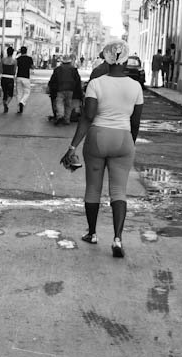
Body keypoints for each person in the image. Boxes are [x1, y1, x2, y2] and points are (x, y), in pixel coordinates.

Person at [60, 40, 143, 258]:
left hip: (97, 138)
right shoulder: (135, 87)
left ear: (106, 58)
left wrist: (72, 146)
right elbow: (135, 122)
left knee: (93, 188)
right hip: (123, 138)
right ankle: (117, 238)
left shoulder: (96, 84)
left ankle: (92, 233)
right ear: (125, 59)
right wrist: (130, 144)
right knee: (119, 190)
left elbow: (88, 117)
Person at [49, 54, 82, 125]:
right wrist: (79, 92)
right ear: (69, 62)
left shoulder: (57, 69)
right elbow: (77, 80)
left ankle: (60, 115)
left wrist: (52, 89)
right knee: (68, 104)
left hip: (60, 89)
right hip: (70, 89)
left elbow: (53, 80)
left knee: (59, 102)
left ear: (62, 62)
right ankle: (67, 119)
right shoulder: (73, 69)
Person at [15, 46, 34, 114]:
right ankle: (22, 102)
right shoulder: (29, 58)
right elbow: (32, 67)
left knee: (19, 93)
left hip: (19, 76)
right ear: (26, 51)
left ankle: (19, 109)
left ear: (21, 52)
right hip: (26, 77)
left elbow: (15, 66)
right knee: (27, 92)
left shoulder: (18, 59)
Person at [0, 46, 17, 113]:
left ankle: (5, 107)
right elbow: (14, 71)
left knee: (5, 94)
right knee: (10, 94)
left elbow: (0, 69)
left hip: (3, 78)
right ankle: (6, 103)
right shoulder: (14, 61)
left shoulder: (3, 60)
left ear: (7, 52)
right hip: (10, 78)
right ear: (12, 53)